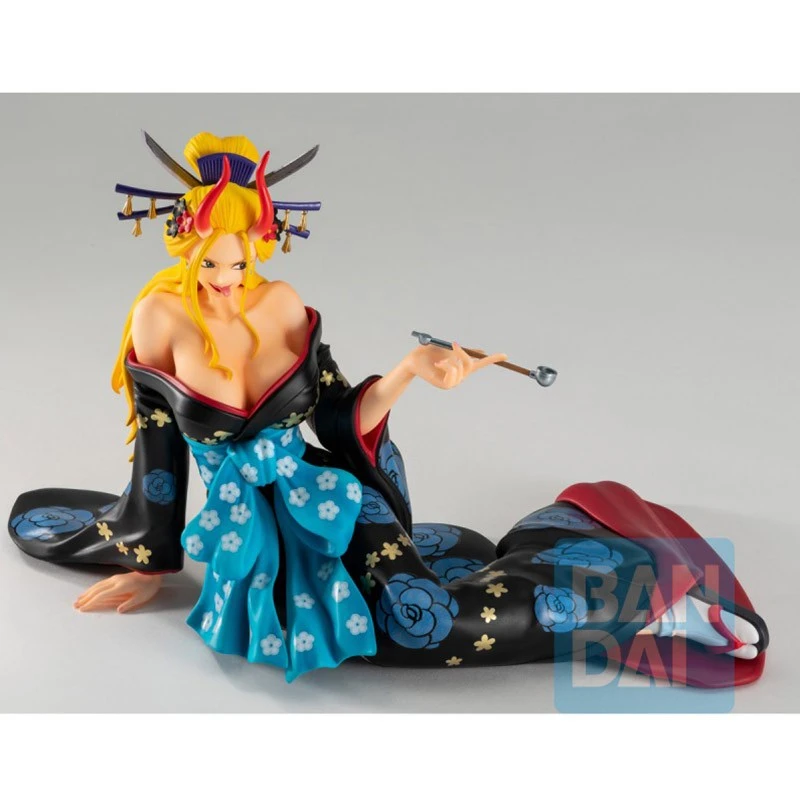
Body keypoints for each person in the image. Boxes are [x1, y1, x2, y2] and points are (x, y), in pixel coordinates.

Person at [8, 132, 769, 686]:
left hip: (330, 501)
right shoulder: (158, 322)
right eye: (213, 260)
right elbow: (159, 455)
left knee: (417, 628)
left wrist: (408, 371)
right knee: (408, 610)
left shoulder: (281, 306)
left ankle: (648, 595)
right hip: (251, 537)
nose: (228, 277)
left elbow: (337, 413)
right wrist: (149, 559)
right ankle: (564, 537)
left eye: (241, 259)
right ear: (185, 242)